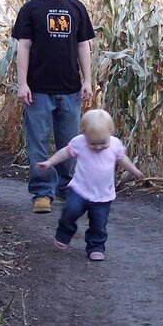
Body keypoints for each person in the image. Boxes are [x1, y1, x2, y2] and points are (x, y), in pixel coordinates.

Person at [11, 0, 95, 213]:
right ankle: (41, 193)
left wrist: (87, 80)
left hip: (70, 89)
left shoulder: (77, 8)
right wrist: (22, 83)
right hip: (37, 90)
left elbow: (84, 46)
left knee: (69, 145)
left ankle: (66, 188)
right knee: (38, 143)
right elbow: (23, 46)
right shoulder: (31, 9)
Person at [37, 109, 143, 261]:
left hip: (103, 195)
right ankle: (64, 233)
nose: (99, 147)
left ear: (111, 133)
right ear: (84, 134)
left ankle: (96, 247)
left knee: (99, 223)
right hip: (79, 189)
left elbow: (123, 160)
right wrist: (49, 162)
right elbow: (64, 153)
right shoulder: (79, 142)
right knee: (70, 211)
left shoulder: (114, 145)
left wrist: (135, 171)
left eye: (103, 143)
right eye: (93, 143)